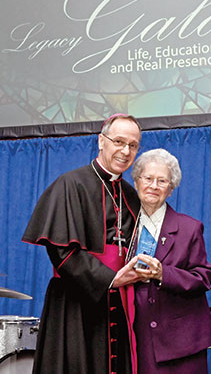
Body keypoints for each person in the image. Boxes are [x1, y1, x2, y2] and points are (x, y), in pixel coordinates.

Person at [22, 114, 144, 374]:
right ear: (101, 141)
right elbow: (62, 251)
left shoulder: (131, 195)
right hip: (75, 304)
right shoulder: (71, 184)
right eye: (119, 141)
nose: (125, 151)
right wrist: (110, 279)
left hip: (118, 303)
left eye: (133, 145)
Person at [130, 148, 211, 374]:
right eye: (148, 178)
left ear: (170, 190)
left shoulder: (190, 228)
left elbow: (202, 277)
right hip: (134, 337)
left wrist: (162, 274)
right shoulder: (119, 226)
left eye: (162, 181)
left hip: (181, 344)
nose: (154, 186)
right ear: (137, 182)